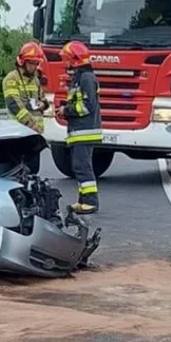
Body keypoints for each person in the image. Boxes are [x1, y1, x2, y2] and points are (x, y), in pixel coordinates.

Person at [60, 40, 103, 214]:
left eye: (68, 59)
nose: (66, 63)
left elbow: (87, 106)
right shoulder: (80, 77)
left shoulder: (86, 78)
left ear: (76, 59)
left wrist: (66, 110)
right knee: (79, 167)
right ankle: (82, 200)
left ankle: (91, 201)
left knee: (83, 167)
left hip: (85, 131)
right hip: (79, 131)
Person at [3, 41, 49, 133]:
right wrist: (30, 123)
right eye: (31, 63)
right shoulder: (12, 78)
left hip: (36, 132)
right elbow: (13, 104)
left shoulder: (35, 80)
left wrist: (43, 104)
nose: (34, 67)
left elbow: (43, 99)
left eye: (36, 63)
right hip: (18, 131)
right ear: (22, 62)